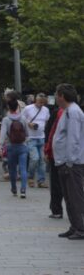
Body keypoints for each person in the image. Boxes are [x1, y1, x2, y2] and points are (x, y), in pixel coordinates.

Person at [52, 84, 84, 240]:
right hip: (64, 161)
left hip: (71, 163)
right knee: (68, 196)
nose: (56, 98)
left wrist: (70, 161)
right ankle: (75, 225)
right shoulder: (68, 111)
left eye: (57, 95)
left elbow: (74, 138)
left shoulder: (73, 112)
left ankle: (81, 228)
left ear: (62, 96)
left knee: (75, 196)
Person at [0, 98, 30, 198]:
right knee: (23, 169)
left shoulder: (6, 120)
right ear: (18, 107)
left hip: (11, 147)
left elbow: (3, 135)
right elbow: (27, 133)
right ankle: (23, 190)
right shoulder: (23, 118)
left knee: (12, 169)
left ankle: (14, 189)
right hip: (22, 147)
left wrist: (0, 147)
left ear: (8, 107)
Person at [22, 93, 50, 188]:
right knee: (34, 158)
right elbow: (22, 119)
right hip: (30, 138)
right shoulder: (28, 108)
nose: (41, 104)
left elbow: (46, 121)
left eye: (43, 103)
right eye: (39, 102)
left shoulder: (46, 110)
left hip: (41, 137)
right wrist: (29, 124)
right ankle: (30, 177)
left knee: (42, 160)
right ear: (35, 101)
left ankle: (41, 181)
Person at [45, 106, 65, 219]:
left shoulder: (58, 113)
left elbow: (49, 132)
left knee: (56, 183)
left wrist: (47, 150)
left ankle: (57, 210)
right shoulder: (76, 112)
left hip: (57, 154)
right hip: (70, 155)